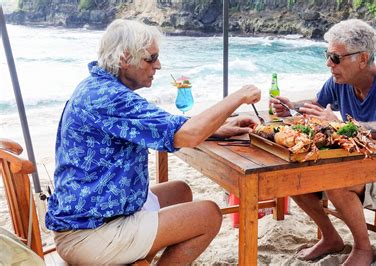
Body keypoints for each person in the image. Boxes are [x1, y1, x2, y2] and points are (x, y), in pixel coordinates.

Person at [45, 19, 261, 264]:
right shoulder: (111, 98)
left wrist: (218, 129)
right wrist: (238, 96)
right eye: (150, 58)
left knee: (180, 191)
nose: (157, 65)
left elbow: (168, 127)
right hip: (90, 234)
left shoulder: (99, 87)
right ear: (125, 58)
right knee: (209, 214)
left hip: (94, 215)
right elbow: (186, 135)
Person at [270, 19, 376, 265]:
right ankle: (331, 238)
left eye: (336, 58)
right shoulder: (340, 81)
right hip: (356, 161)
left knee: (336, 180)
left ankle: (362, 249)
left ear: (362, 58)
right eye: (327, 56)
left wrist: (340, 125)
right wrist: (291, 107)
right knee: (291, 173)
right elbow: (316, 106)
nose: (329, 64)